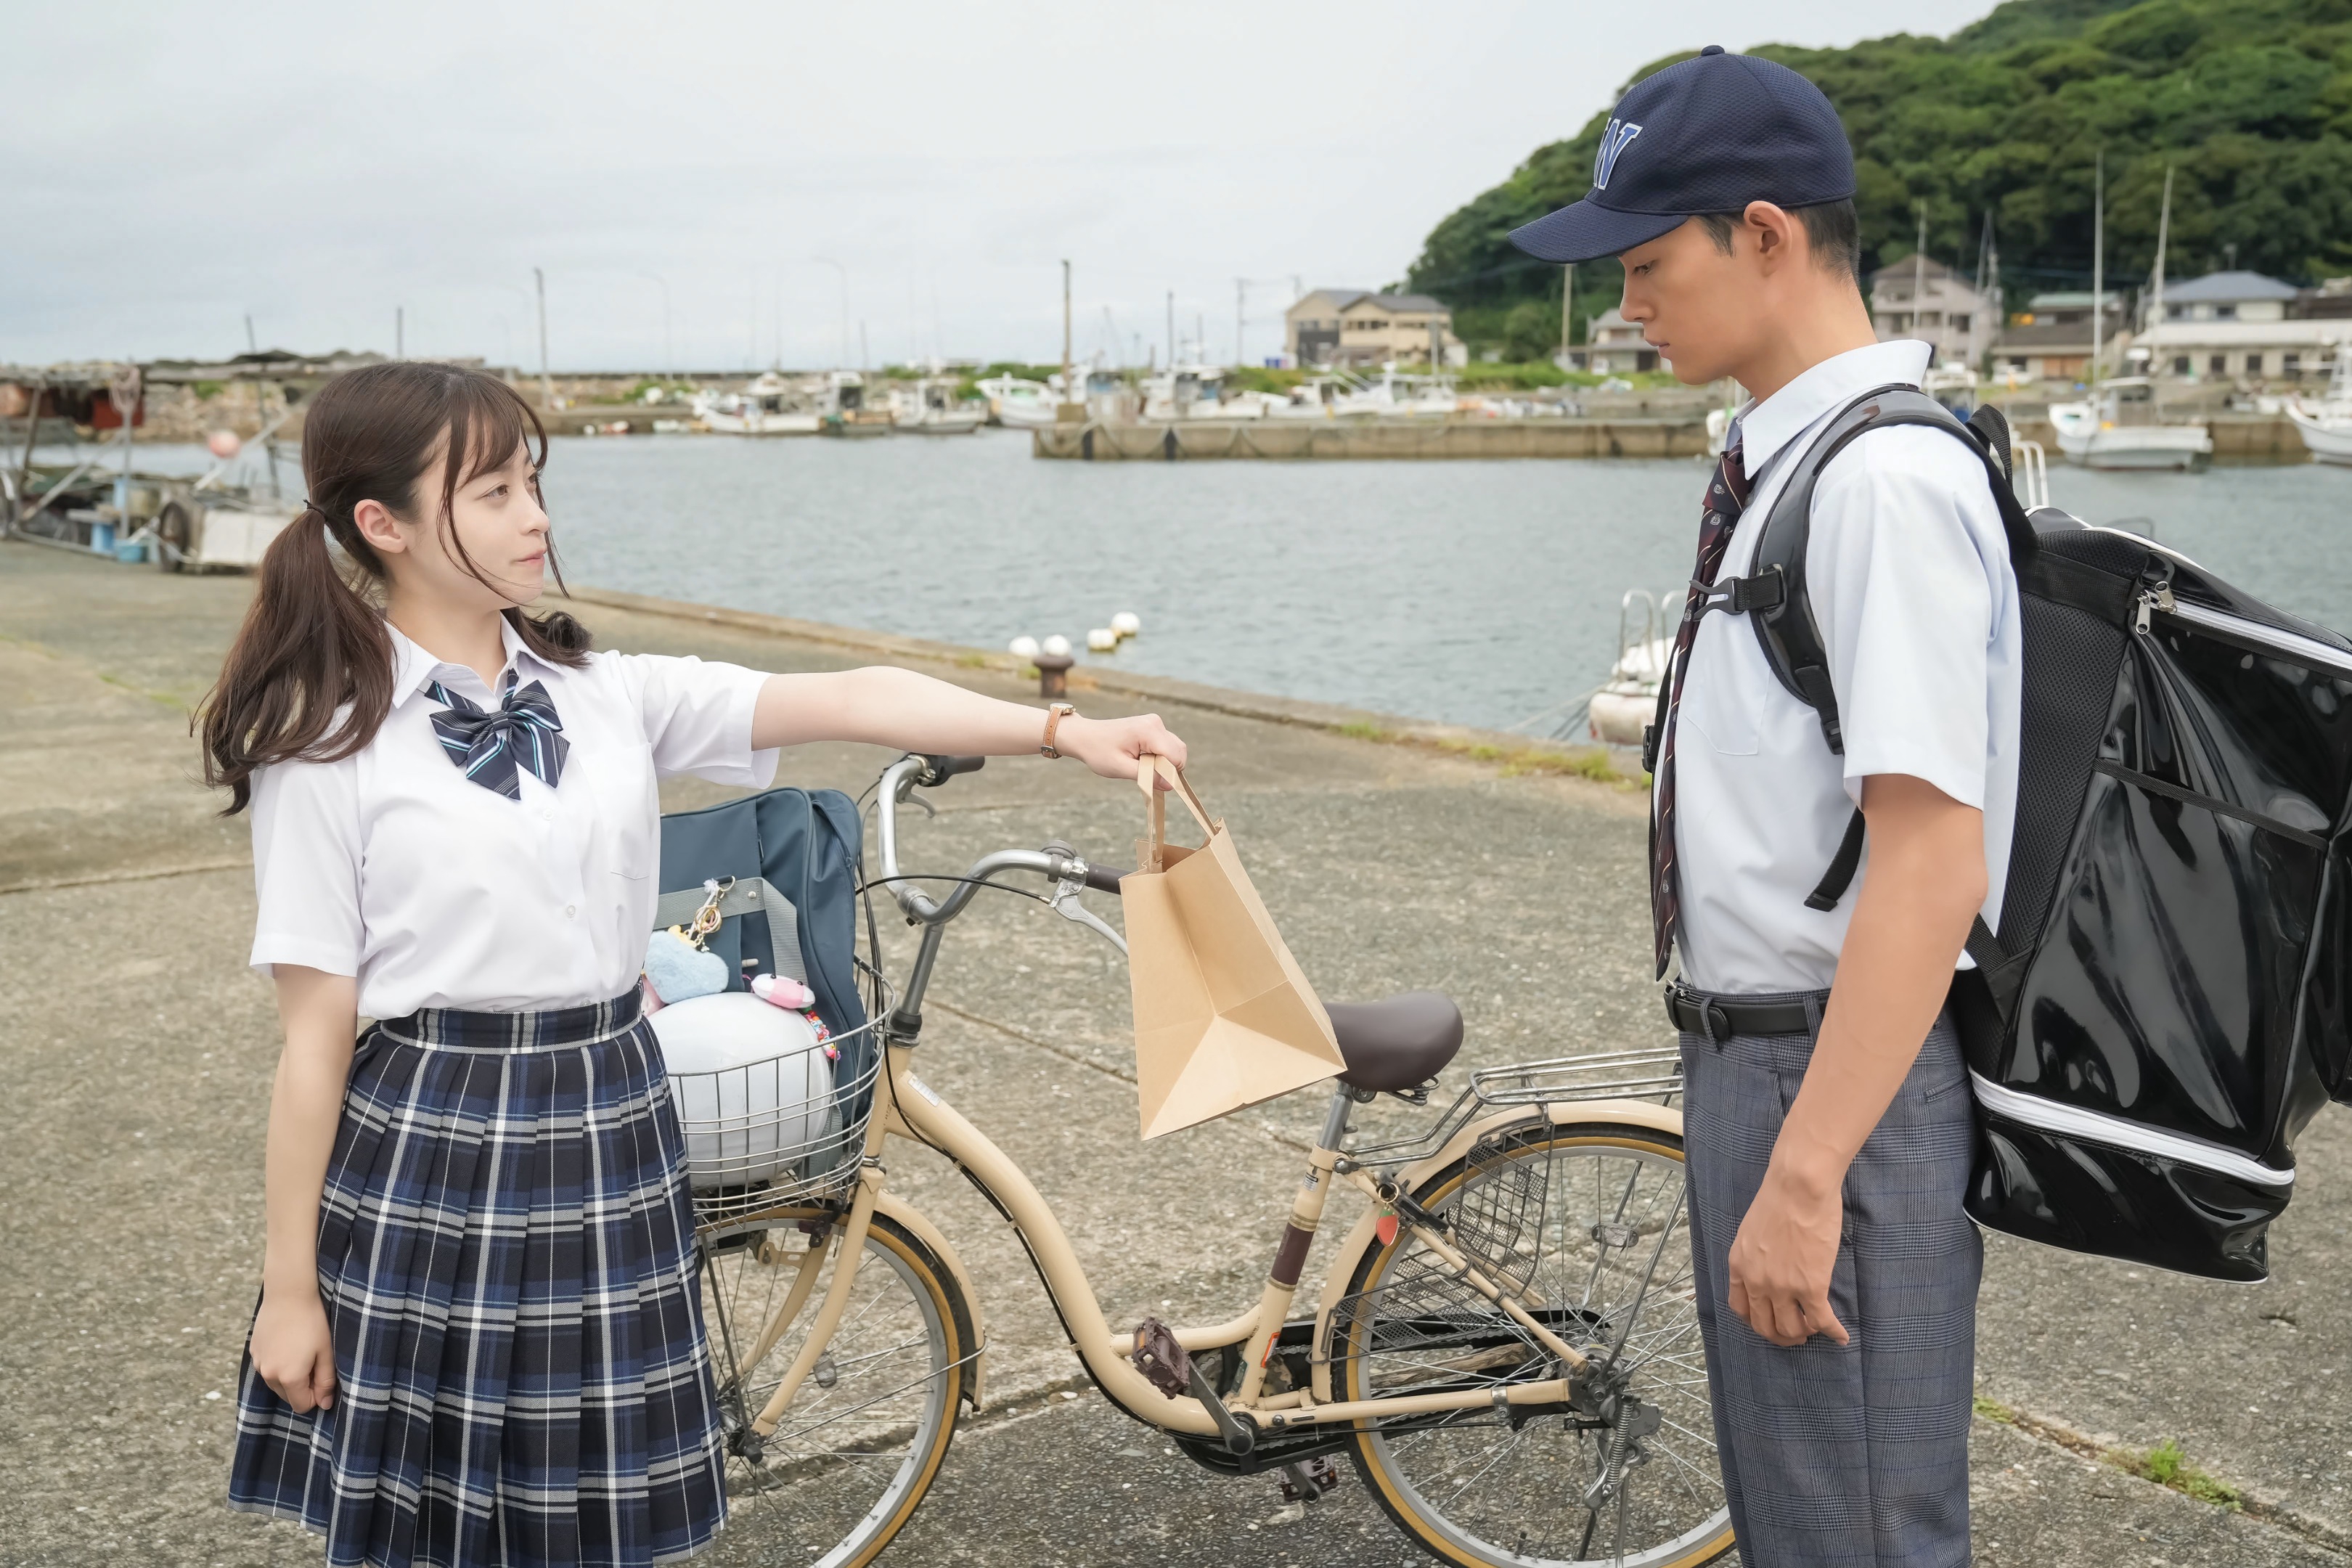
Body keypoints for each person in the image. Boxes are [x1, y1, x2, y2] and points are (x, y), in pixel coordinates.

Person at [206, 360, 1185, 1567]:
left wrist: (1064, 732)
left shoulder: (603, 692)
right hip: (440, 1132)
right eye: (497, 492)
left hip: (616, 1101)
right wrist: (291, 1289)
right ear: (383, 525)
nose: (537, 518)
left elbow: (855, 696)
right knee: (446, 1524)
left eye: (533, 484)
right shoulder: (324, 744)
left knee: (601, 1514)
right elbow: (313, 1043)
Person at [1511, 47, 2017, 1568]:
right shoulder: (1791, 463)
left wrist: (1807, 1173)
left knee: (1858, 1526)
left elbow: (1933, 855)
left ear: (1769, 236)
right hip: (1766, 1064)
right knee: (1803, 1514)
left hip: (1833, 1084)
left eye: (1650, 261)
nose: (1629, 302)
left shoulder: (1879, 487)